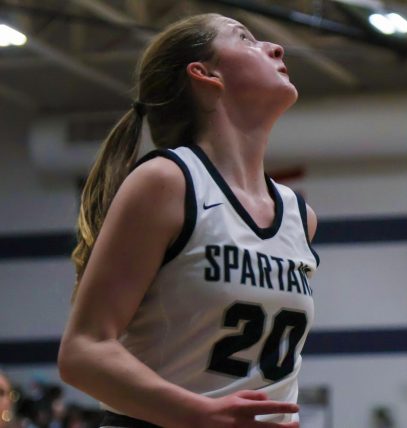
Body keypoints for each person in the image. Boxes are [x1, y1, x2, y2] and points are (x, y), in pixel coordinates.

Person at [58, 13, 319, 428]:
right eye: (245, 38)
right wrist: (195, 412)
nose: (276, 47)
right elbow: (82, 351)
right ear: (205, 73)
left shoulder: (297, 215)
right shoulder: (167, 181)